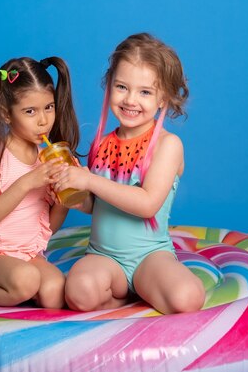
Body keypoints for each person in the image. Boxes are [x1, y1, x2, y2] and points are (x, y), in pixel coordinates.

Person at [50, 33, 206, 314]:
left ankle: (144, 288)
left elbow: (147, 204)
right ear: (109, 86)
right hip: (104, 257)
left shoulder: (167, 145)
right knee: (79, 292)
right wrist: (70, 191)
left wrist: (90, 180)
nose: (130, 100)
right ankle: (124, 299)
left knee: (188, 298)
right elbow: (95, 206)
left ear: (163, 99)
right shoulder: (103, 142)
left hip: (150, 256)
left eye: (145, 92)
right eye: (122, 87)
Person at [0, 56, 80, 308]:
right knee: (26, 280)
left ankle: (24, 291)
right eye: (30, 111)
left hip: (28, 257)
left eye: (49, 107)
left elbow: (50, 228)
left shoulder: (47, 158)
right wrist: (28, 182)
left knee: (55, 292)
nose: (43, 120)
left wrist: (65, 197)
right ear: (6, 114)